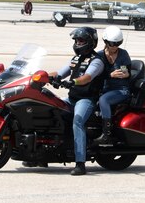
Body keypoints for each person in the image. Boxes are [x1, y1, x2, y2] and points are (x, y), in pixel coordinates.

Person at [49, 26, 105, 176]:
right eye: (76, 40)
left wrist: (73, 82)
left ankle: (80, 163)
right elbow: (60, 73)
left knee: (78, 121)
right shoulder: (75, 59)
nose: (77, 43)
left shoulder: (96, 61)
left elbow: (87, 77)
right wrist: (43, 76)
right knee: (51, 110)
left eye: (81, 40)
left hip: (86, 100)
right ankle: (42, 156)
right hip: (71, 99)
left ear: (90, 42)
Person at [93, 26, 132, 146]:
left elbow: (126, 70)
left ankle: (106, 134)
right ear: (105, 41)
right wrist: (110, 75)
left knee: (104, 100)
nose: (115, 46)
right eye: (112, 43)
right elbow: (96, 74)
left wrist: (125, 74)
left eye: (117, 43)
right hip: (105, 88)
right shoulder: (99, 56)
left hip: (121, 89)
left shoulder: (123, 54)